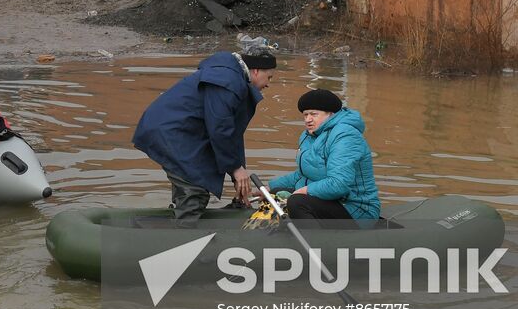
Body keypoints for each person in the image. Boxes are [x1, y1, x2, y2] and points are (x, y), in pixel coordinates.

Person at [132, 47, 276, 222]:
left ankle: (177, 221)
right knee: (195, 191)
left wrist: (238, 174)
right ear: (255, 71)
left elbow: (232, 134)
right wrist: (235, 169)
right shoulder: (227, 81)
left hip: (179, 133)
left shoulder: (231, 78)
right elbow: (220, 128)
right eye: (269, 77)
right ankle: (179, 234)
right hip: (172, 133)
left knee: (193, 187)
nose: (268, 83)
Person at [267, 89, 380, 222]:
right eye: (305, 115)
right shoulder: (309, 135)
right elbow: (304, 174)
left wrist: (303, 191)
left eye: (314, 114)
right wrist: (270, 187)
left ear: (331, 114)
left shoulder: (345, 136)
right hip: (332, 200)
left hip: (356, 208)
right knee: (275, 193)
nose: (308, 120)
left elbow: (339, 184)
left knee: (297, 202)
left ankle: (316, 240)